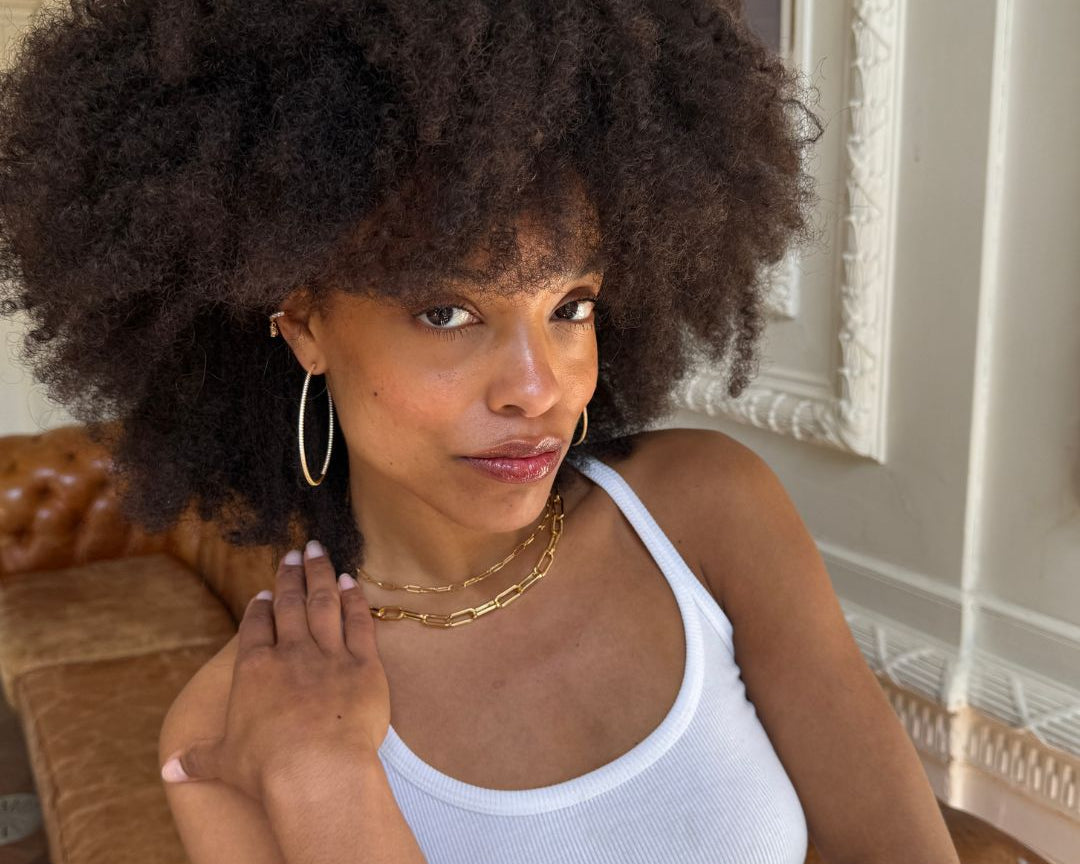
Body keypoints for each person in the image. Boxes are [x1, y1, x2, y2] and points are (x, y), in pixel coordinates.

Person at [0, 1, 960, 862]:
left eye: (570, 306)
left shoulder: (708, 512)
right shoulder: (229, 729)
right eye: (448, 314)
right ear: (303, 325)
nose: (538, 391)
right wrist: (320, 778)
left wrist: (323, 787)